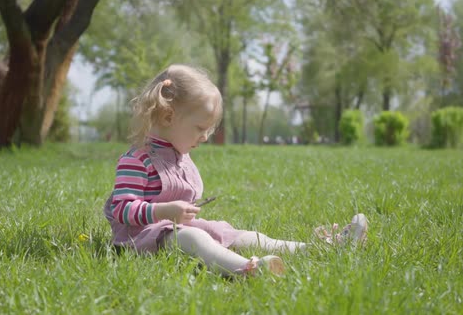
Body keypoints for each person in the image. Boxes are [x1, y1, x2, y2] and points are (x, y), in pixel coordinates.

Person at [103, 64, 368, 277]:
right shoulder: (136, 159)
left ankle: (323, 248)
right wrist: (162, 211)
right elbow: (121, 209)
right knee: (195, 237)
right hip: (142, 238)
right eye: (199, 128)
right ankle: (246, 269)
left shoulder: (179, 157)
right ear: (169, 116)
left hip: (177, 229)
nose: (205, 137)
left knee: (238, 234)